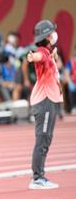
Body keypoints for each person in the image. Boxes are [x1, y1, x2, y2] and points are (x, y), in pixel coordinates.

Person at [26, 20, 63, 189]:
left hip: (49, 101)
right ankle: (37, 178)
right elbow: (37, 56)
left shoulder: (49, 53)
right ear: (48, 36)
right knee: (42, 139)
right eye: (52, 33)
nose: (54, 35)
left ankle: (39, 177)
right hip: (45, 101)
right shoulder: (42, 52)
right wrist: (33, 56)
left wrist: (53, 57)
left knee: (46, 138)